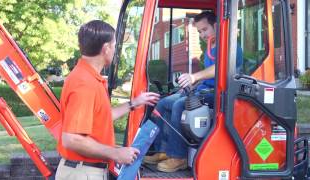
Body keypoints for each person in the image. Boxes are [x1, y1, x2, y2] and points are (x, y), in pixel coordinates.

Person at [55, 20, 160, 180]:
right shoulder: (85, 83)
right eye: (114, 45)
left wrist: (134, 103)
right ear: (106, 48)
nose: (115, 51)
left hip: (85, 171)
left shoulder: (90, 78)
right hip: (83, 173)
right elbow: (72, 139)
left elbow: (101, 118)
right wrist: (116, 153)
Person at [143, 11, 243, 173]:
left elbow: (221, 69)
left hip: (220, 94)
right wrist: (192, 84)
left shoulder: (230, 47)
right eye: (199, 32)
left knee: (179, 105)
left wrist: (194, 76)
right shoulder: (211, 46)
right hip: (204, 90)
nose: (202, 35)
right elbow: (209, 76)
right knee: (163, 103)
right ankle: (163, 150)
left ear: (216, 26)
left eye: (205, 30)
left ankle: (179, 157)